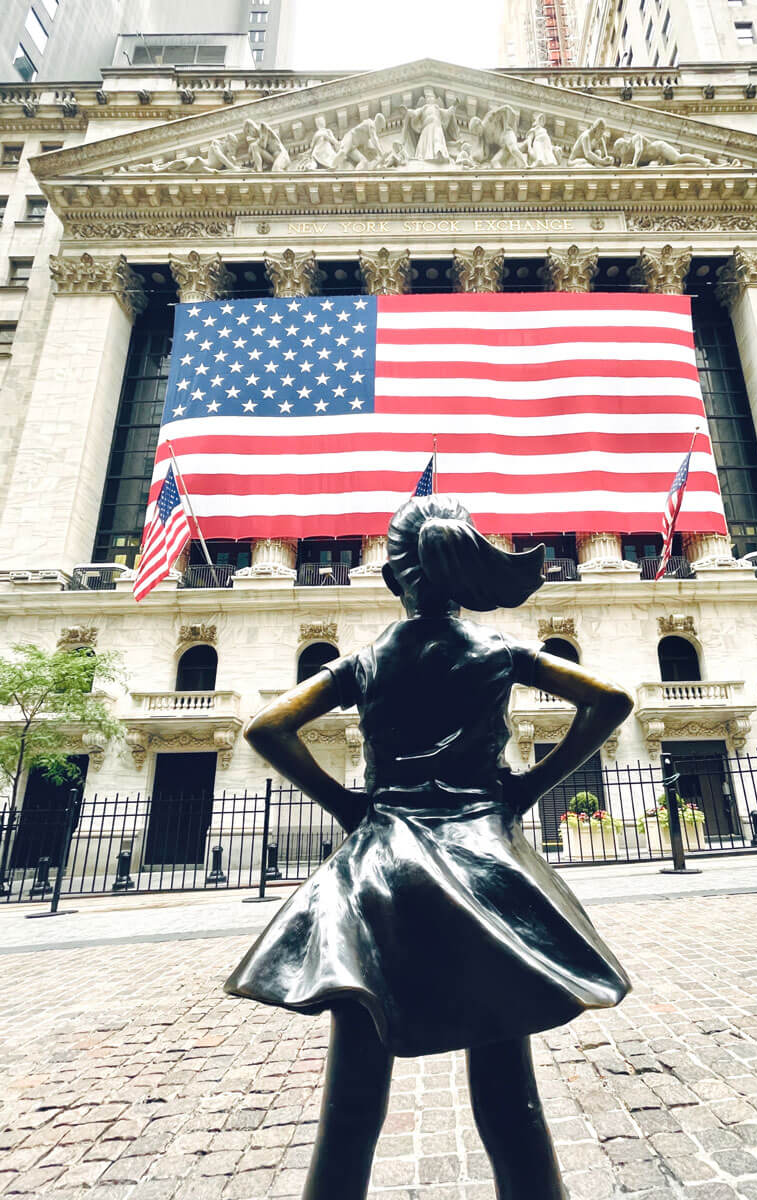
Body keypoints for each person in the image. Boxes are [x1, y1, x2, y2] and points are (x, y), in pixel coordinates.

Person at [225, 495, 633, 1200]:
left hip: (379, 867)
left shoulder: (368, 660)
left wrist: (351, 806)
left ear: (394, 578)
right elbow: (610, 700)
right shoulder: (498, 651)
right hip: (485, 869)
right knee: (509, 1094)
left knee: (353, 1097)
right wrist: (531, 785)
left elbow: (267, 728)